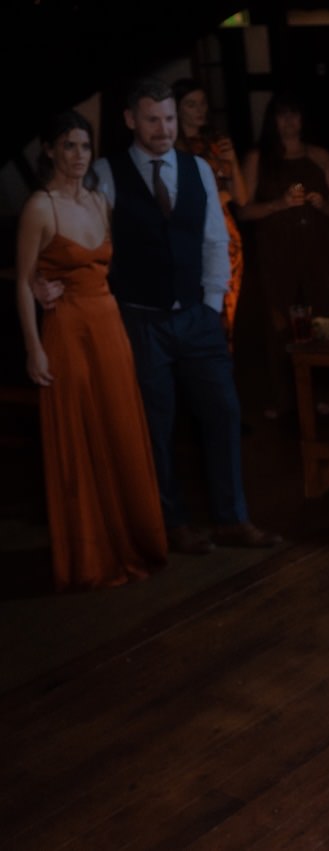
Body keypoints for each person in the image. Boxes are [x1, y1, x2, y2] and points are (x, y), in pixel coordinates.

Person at [34, 78, 281, 554]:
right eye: (153, 119)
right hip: (139, 321)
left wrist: (212, 307)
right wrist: (46, 280)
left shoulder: (200, 170)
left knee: (224, 414)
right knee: (156, 424)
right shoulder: (105, 173)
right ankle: (172, 523)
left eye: (169, 118)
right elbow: (84, 239)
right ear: (130, 120)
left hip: (198, 317)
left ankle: (233, 519)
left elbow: (214, 240)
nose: (164, 128)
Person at [15, 110, 167, 590]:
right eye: (70, 147)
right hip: (67, 331)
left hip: (109, 327)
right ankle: (91, 554)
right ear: (51, 151)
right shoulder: (41, 207)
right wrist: (33, 347)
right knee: (81, 436)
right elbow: (21, 281)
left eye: (85, 147)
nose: (79, 156)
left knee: (119, 429)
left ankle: (131, 536)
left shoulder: (101, 203)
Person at [240, 91, 329, 418]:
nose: (288, 122)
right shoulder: (259, 157)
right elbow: (243, 212)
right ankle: (281, 396)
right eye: (282, 115)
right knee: (279, 320)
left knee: (323, 316)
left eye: (294, 114)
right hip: (276, 250)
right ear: (273, 120)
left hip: (317, 248)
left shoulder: (319, 156)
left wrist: (322, 204)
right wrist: (280, 204)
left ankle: (324, 392)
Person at [172, 78, 247, 341]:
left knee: (227, 313)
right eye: (191, 104)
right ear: (178, 109)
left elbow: (242, 198)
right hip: (194, 236)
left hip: (226, 236)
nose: (199, 110)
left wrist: (233, 162)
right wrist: (220, 195)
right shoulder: (172, 149)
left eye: (202, 103)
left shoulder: (216, 142)